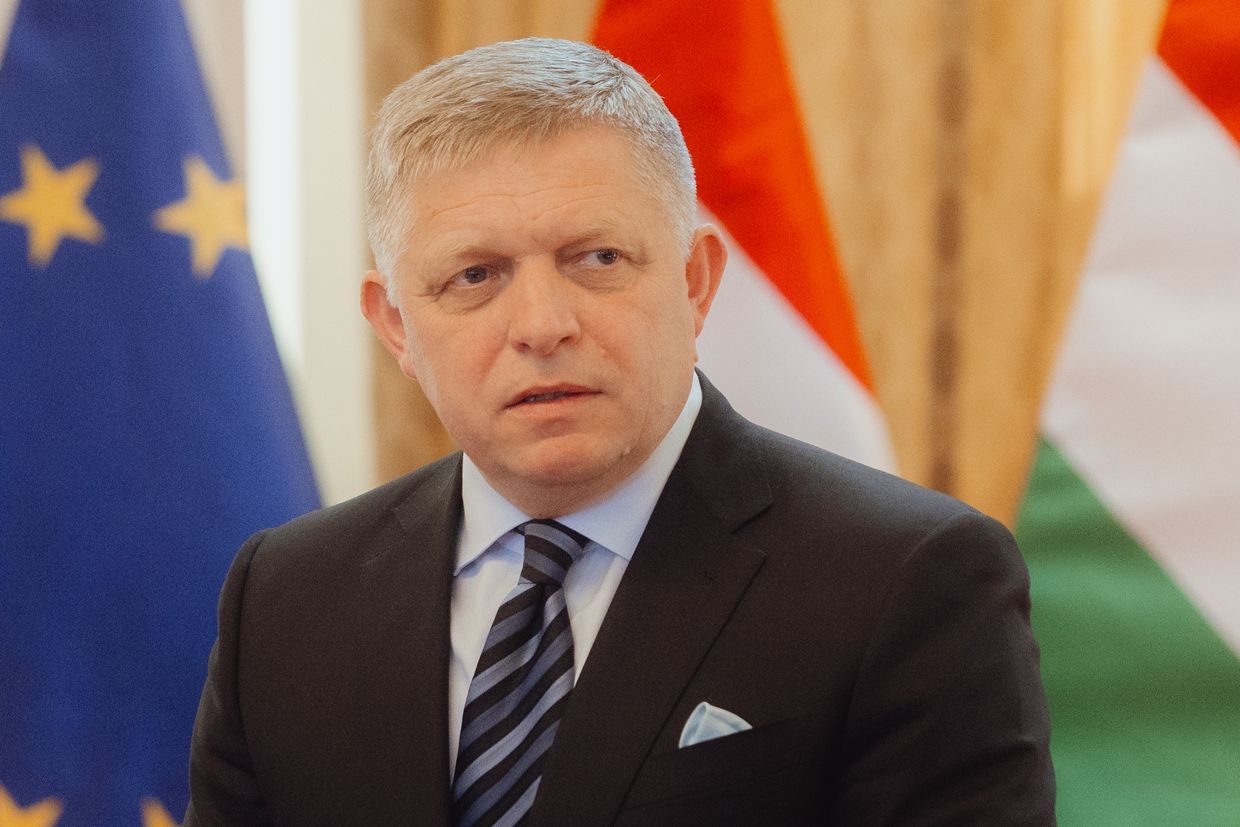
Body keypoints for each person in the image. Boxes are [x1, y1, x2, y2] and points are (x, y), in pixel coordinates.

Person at [185, 37, 1054, 826]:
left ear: (695, 282)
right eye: (475, 276)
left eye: (597, 258)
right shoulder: (286, 598)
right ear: (396, 326)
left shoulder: (908, 580)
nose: (541, 324)